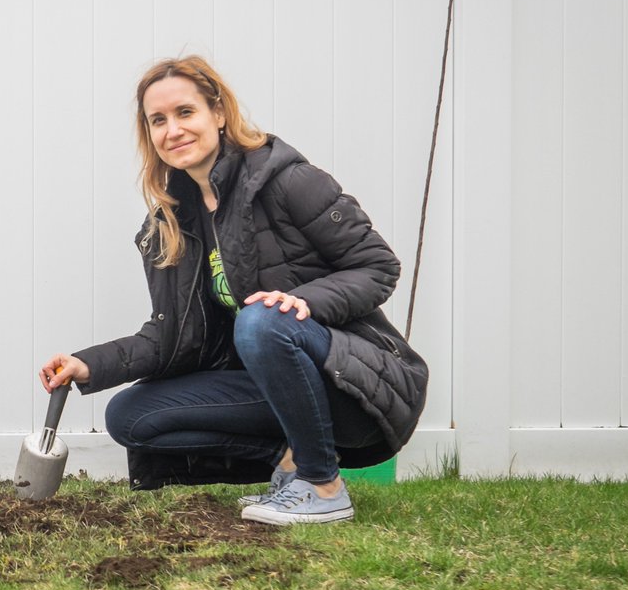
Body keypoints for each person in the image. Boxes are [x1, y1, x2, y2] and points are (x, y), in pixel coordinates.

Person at [39, 56, 428, 526]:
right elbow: (175, 337)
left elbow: (378, 266)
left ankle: (323, 485)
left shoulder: (287, 180)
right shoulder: (172, 222)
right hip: (278, 385)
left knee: (261, 319)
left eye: (186, 112)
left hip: (354, 385)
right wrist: (89, 364)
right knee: (130, 415)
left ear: (219, 113)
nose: (173, 130)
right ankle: (292, 462)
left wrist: (305, 302)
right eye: (158, 120)